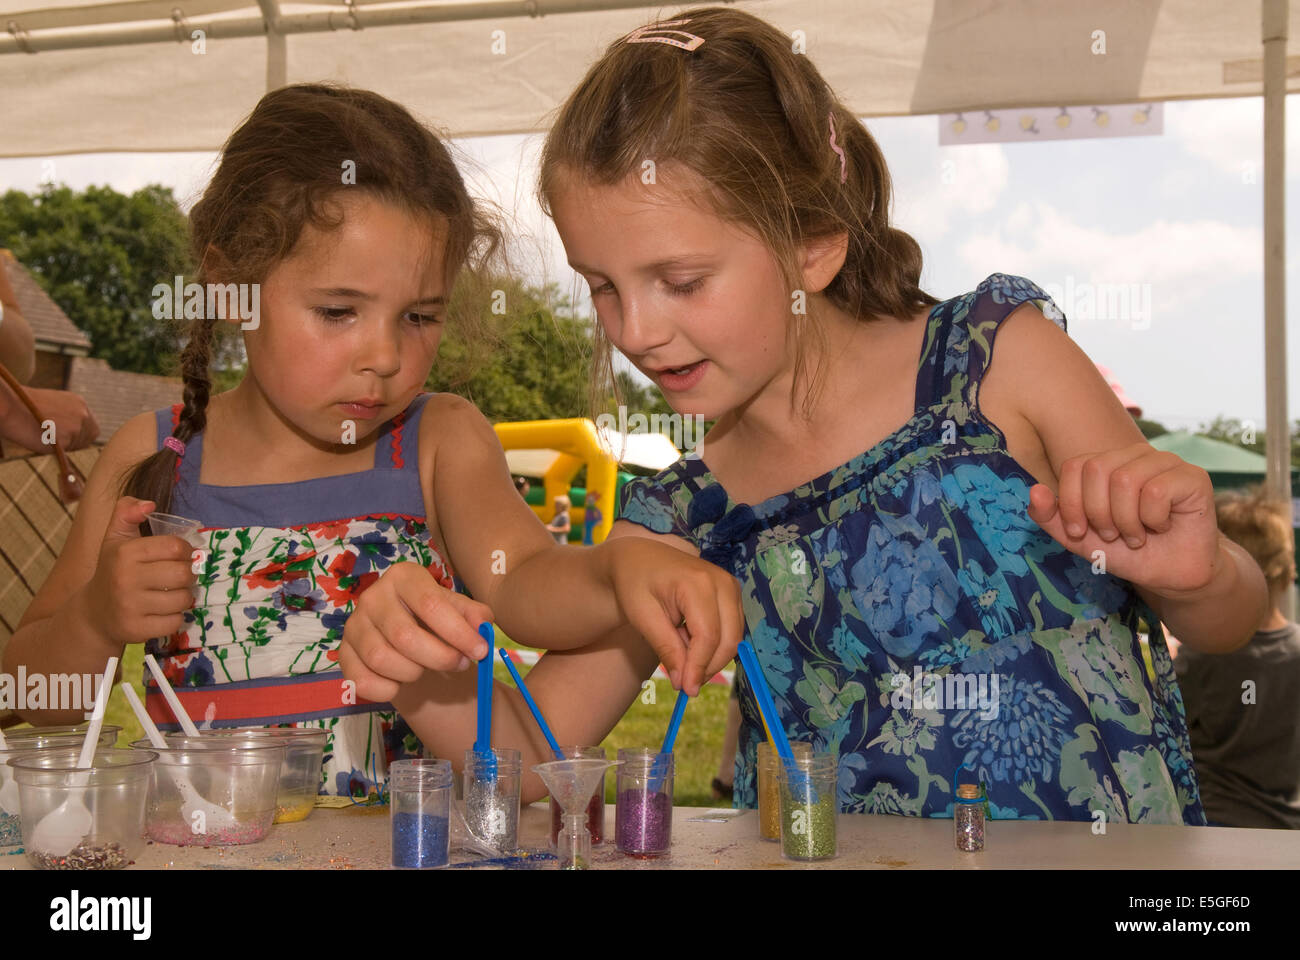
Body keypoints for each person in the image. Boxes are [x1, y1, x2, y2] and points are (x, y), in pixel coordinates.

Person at [536, 6, 1268, 823]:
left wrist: (1200, 579)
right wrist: (406, 650)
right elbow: (533, 754)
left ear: (814, 243)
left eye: (680, 281)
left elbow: (1228, 624)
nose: (634, 331)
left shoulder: (998, 363)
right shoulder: (682, 520)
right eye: (602, 285)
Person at [5, 84, 741, 800]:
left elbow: (524, 582)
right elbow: (29, 693)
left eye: (419, 317)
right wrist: (97, 618)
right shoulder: (152, 454)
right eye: (337, 311)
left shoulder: (436, 440)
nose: (385, 357)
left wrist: (617, 570)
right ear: (229, 287)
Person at [1175, 488, 1300, 828]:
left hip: (1212, 820)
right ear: (1289, 574)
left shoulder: (1202, 654)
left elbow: (1170, 725)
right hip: (1285, 825)